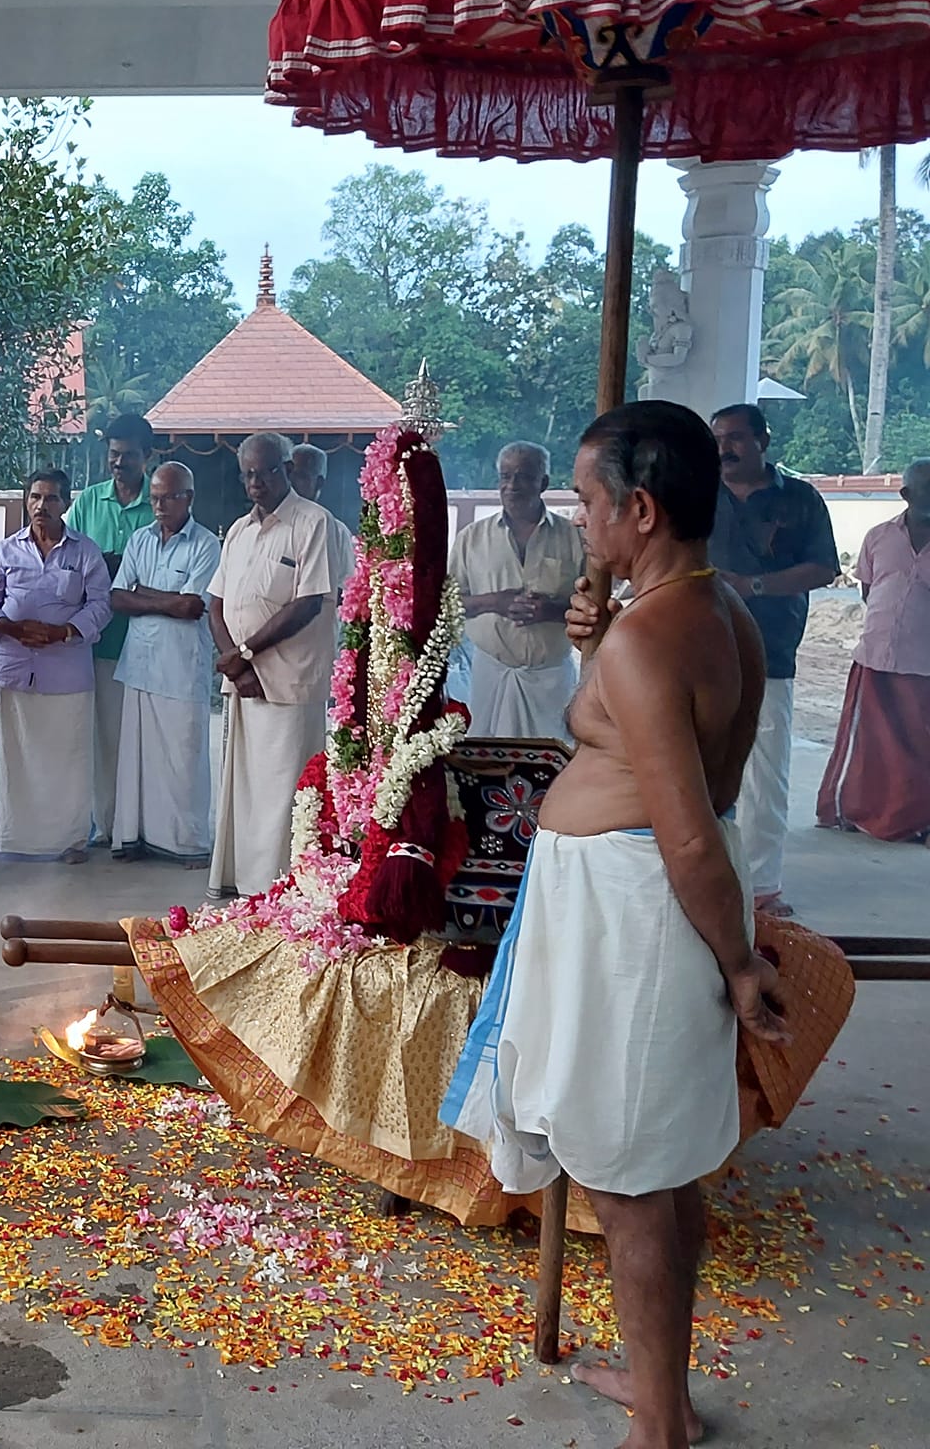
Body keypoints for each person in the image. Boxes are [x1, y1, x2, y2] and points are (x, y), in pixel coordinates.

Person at [445, 400, 788, 1449]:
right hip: (633, 900)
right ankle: (661, 1393)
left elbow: (686, 834)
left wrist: (736, 963)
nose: (578, 526)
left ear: (637, 508)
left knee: (627, 1175)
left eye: (588, 504)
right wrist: (602, 645)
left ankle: (659, 1433)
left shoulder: (652, 635)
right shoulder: (713, 610)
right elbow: (654, 760)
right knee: (655, 1164)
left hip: (637, 914)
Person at [707, 404, 838, 917]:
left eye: (736, 437)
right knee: (698, 764)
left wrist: (754, 586)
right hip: (701, 648)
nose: (726, 447)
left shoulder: (799, 498)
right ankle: (707, 875)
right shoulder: (699, 493)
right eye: (719, 438)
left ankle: (762, 888)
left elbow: (824, 567)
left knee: (764, 771)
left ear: (763, 440)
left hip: (770, 650)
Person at [207, 432, 336, 899]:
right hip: (243, 682)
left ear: (287, 468)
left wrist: (245, 655)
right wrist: (234, 665)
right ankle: (246, 884)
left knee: (285, 792)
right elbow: (216, 604)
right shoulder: (239, 530)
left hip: (288, 682)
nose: (256, 482)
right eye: (248, 474)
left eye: (266, 471)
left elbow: (308, 604)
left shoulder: (312, 522)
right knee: (245, 789)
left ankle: (284, 888)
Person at [0, 468, 112, 863]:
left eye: (52, 498)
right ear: (26, 500)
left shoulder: (84, 551)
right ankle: (13, 839)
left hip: (67, 672)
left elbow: (101, 604)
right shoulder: (6, 550)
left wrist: (64, 632)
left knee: (67, 761)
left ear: (66, 504)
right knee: (16, 758)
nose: (42, 506)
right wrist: (10, 626)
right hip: (15, 668)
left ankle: (68, 841)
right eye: (35, 497)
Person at [110, 462, 222, 867]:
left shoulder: (207, 545)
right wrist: (167, 600)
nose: (157, 506)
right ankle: (134, 837)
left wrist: (147, 595)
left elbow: (193, 605)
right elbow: (118, 598)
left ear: (187, 498)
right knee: (138, 761)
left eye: (166, 498)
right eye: (154, 498)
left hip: (180, 668)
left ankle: (187, 844)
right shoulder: (140, 539)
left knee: (183, 761)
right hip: (140, 665)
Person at [817, 457, 930, 844]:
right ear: (907, 495)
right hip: (875, 658)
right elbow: (868, 593)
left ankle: (916, 821)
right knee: (868, 747)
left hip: (924, 667)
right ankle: (856, 813)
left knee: (919, 749)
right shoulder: (879, 536)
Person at [449, 442, 587, 741]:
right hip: (491, 675)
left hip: (551, 681)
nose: (513, 486)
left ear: (544, 483)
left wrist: (550, 610)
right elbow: (447, 605)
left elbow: (593, 607)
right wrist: (493, 602)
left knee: (554, 767)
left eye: (524, 476)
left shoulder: (573, 538)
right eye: (506, 476)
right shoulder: (472, 538)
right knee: (486, 768)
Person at [67, 414, 156, 846]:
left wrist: (107, 565)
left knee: (143, 742)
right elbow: (72, 563)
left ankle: (140, 825)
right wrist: (113, 569)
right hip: (98, 642)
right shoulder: (88, 502)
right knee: (101, 738)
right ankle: (103, 825)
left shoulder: (160, 499)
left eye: (129, 456)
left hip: (148, 642)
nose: (119, 464)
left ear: (148, 458)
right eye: (114, 455)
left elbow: (155, 578)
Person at [291, 441, 357, 595]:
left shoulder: (337, 532)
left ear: (319, 483)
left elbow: (346, 589)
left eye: (301, 476)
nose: (292, 483)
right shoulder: (273, 524)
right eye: (289, 475)